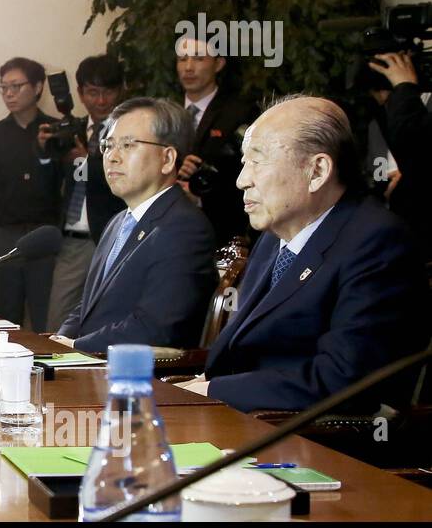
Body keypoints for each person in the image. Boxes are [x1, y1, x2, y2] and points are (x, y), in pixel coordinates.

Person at [182, 96, 430, 413]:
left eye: (257, 161)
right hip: (242, 420)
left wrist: (214, 391)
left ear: (317, 171)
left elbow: (341, 380)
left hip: (321, 443)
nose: (242, 180)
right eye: (244, 163)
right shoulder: (274, 237)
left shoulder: (377, 243)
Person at [56, 98, 217, 354]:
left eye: (128, 145)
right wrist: (59, 341)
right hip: (91, 363)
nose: (112, 157)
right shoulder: (119, 221)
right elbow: (88, 307)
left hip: (136, 378)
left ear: (167, 158)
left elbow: (155, 326)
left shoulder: (183, 228)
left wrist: (76, 347)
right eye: (108, 145)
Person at [43, 55, 128, 330]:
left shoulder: (128, 132)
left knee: (108, 318)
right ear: (80, 93)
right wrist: (43, 152)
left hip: (111, 234)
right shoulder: (71, 129)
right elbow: (44, 183)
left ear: (120, 91)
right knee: (58, 320)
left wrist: (86, 161)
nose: (101, 101)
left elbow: (129, 178)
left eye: (108, 92)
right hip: (71, 239)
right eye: (93, 92)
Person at [0, 57, 60, 329]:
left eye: (16, 86)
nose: (9, 94)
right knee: (6, 318)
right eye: (3, 88)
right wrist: (4, 218)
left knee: (47, 317)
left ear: (37, 87)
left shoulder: (56, 131)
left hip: (46, 235)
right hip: (3, 235)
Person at [174, 36, 261, 245]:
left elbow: (251, 173)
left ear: (218, 63)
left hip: (221, 232)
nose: (188, 67)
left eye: (198, 59)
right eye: (182, 59)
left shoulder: (240, 113)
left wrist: (202, 195)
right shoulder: (164, 110)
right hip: (169, 228)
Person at [374, 51, 431, 259]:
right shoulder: (378, 122)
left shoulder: (412, 103)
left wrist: (404, 89)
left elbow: (413, 144)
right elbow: (379, 167)